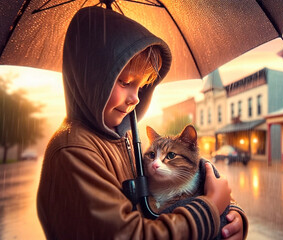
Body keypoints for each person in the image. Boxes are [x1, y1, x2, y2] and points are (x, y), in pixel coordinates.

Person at [36, 6, 248, 240]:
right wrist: (210, 209)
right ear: (91, 79)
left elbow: (190, 180)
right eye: (125, 81)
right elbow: (131, 234)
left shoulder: (122, 137)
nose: (135, 97)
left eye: (142, 85)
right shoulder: (73, 151)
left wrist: (231, 213)